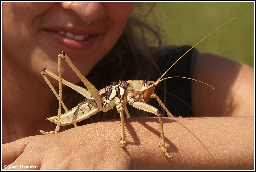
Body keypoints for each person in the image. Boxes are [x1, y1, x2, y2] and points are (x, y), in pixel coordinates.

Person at [2, 2, 254, 170]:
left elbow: (152, 111)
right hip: (96, 102)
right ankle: (59, 122)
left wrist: (120, 143)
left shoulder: (194, 75)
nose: (86, 9)